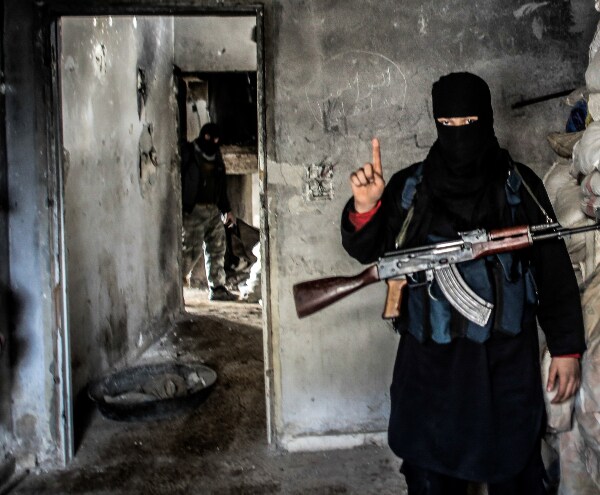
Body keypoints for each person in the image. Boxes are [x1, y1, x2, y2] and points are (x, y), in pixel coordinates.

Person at [341, 72, 585, 494]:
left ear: (487, 119)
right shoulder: (410, 188)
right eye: (447, 124)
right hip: (429, 371)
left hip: (505, 367)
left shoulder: (519, 185)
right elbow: (367, 250)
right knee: (431, 477)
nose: (459, 134)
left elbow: (553, 270)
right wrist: (364, 208)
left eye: (469, 122)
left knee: (516, 472)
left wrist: (566, 348)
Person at [181, 122, 237, 301]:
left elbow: (221, 185)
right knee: (191, 250)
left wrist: (226, 210)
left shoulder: (216, 155)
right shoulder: (189, 152)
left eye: (216, 139)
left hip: (213, 209)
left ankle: (217, 287)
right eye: (209, 138)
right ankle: (176, 284)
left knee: (217, 247)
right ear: (203, 136)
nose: (213, 142)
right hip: (194, 211)